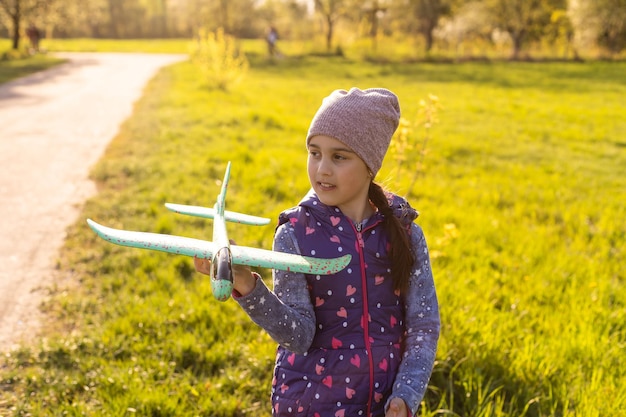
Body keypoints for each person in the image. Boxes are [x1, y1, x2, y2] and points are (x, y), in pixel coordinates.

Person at [195, 87, 440, 417]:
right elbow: (298, 335)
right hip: (310, 404)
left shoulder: (405, 233)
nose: (322, 169)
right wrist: (249, 287)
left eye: (339, 157)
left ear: (370, 164)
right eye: (314, 153)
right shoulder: (295, 233)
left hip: (384, 405)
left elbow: (423, 325)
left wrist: (406, 394)